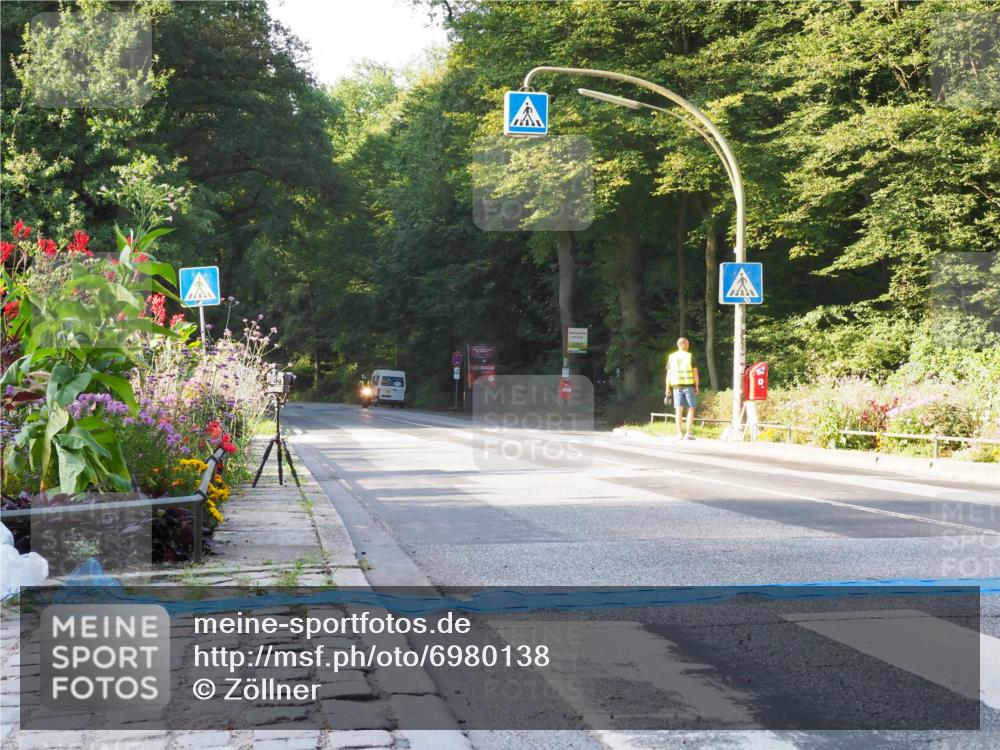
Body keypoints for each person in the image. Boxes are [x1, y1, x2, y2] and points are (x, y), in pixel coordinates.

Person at [665, 337, 700, 440]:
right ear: (683, 344)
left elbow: (668, 374)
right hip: (689, 385)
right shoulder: (690, 356)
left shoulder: (671, 357)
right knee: (691, 408)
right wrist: (697, 386)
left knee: (678, 409)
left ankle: (679, 434)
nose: (689, 345)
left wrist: (667, 388)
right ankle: (688, 433)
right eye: (688, 344)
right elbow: (695, 374)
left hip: (676, 386)